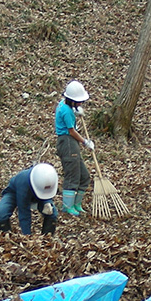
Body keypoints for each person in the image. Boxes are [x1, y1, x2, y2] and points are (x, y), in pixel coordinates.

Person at [55, 80, 93, 216]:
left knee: (84, 176)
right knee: (72, 175)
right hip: (67, 143)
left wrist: (76, 112)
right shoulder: (66, 111)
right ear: (71, 100)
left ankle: (77, 204)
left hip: (71, 143)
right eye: (78, 102)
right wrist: (85, 142)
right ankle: (67, 206)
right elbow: (71, 131)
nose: (80, 104)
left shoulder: (64, 105)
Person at [0, 163, 58, 235]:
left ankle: (47, 238)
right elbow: (24, 212)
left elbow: (48, 193)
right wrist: (27, 236)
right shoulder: (23, 183)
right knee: (1, 213)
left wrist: (47, 202)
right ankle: (5, 238)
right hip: (14, 192)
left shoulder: (49, 178)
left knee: (52, 212)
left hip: (40, 191)